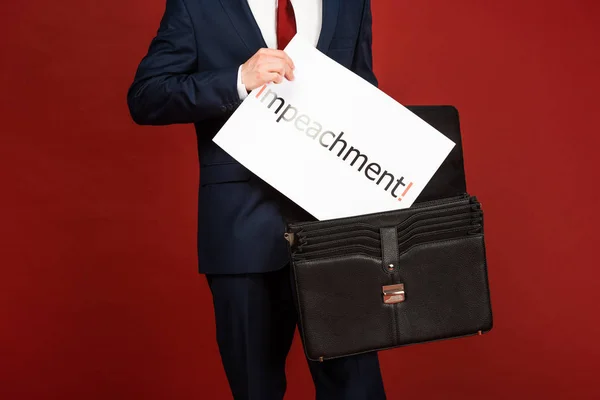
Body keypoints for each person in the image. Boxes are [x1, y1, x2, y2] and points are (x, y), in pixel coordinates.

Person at [127, 0, 385, 398]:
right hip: (241, 230)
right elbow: (145, 96)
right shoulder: (197, 6)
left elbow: (366, 97)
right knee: (255, 389)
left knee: (357, 390)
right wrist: (236, 80)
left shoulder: (349, 3)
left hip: (337, 231)